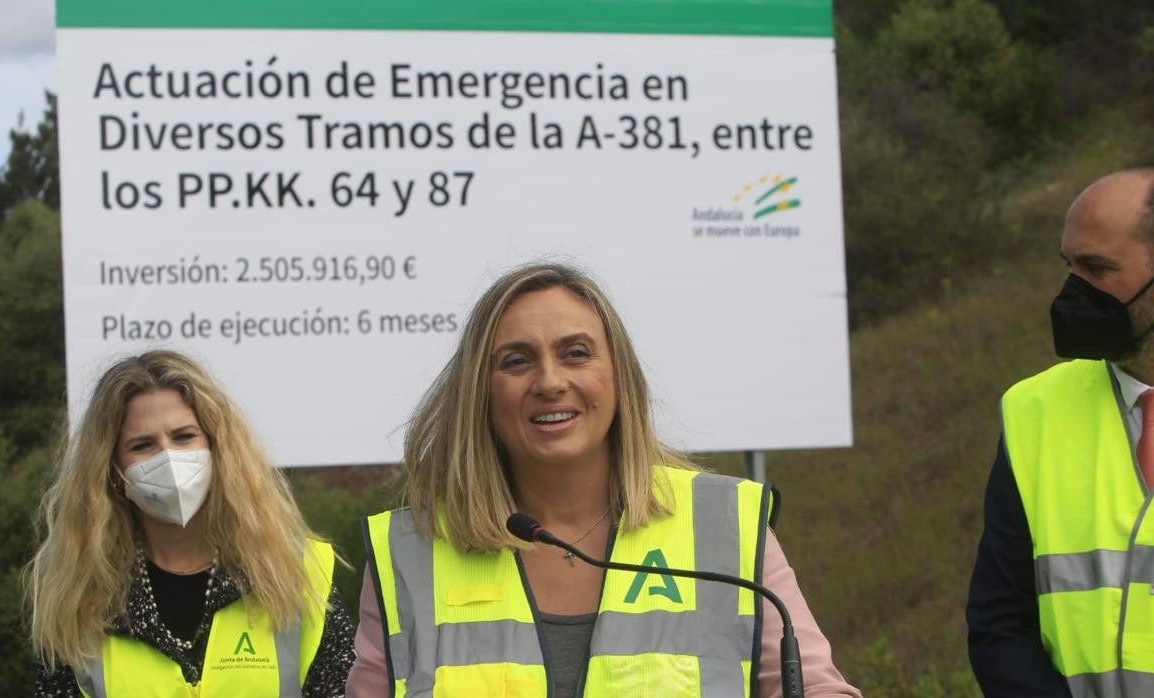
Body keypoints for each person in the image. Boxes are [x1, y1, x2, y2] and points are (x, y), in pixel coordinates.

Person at [346, 263, 860, 697]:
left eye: (575, 353)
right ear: (480, 392)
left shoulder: (727, 528)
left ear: (619, 376)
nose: (550, 382)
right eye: (517, 361)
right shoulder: (410, 551)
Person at [26, 350, 355, 696]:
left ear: (218, 448)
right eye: (142, 445)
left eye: (184, 437)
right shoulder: (79, 601)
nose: (168, 457)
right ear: (112, 472)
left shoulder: (298, 574)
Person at [967, 168, 1154, 696]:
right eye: (1069, 265)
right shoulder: (1034, 410)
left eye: (1096, 269)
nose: (1072, 291)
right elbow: (1000, 625)